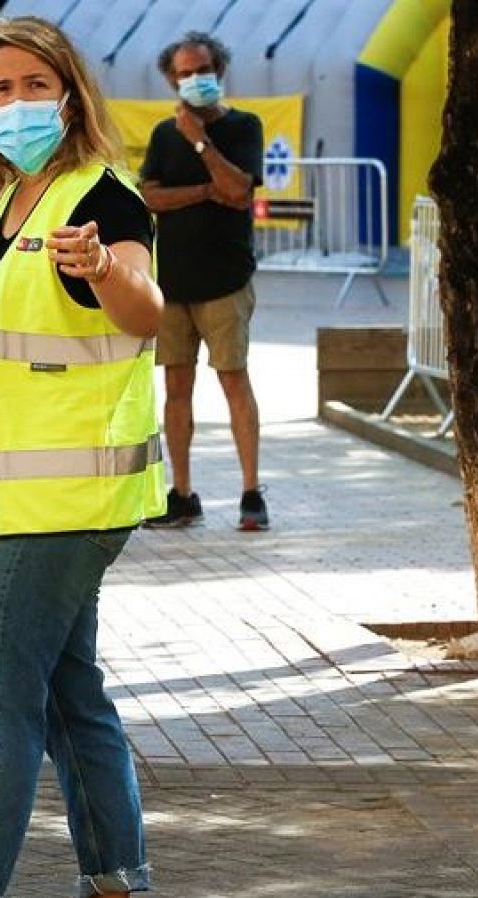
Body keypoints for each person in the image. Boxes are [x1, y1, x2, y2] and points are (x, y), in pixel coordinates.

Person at [0, 16, 164, 898]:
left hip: (62, 506)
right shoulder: (14, 200)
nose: (14, 102)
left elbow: (145, 310)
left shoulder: (98, 195)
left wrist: (102, 272)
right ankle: (117, 878)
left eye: (33, 85)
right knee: (65, 696)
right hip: (14, 493)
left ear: (71, 94)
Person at [139, 31, 268, 531]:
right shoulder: (160, 134)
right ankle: (182, 492)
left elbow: (238, 191)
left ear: (220, 69)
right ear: (172, 78)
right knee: (176, 388)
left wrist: (199, 139)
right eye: (185, 72)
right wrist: (203, 190)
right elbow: (150, 195)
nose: (195, 79)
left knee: (234, 380)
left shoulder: (243, 126)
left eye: (203, 69)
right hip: (171, 283)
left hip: (226, 281)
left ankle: (251, 491)